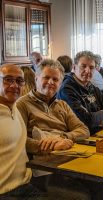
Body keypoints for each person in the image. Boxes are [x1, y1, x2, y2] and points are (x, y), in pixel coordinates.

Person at [17, 59, 89, 154]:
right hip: (41, 158)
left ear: (60, 83)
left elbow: (84, 130)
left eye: (55, 79)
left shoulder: (62, 105)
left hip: (67, 151)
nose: (50, 82)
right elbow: (19, 139)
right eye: (46, 77)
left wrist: (62, 137)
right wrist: (53, 146)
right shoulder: (22, 104)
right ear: (36, 78)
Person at [0, 64, 41, 198]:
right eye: (8, 80)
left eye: (19, 81)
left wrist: (45, 144)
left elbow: (18, 141)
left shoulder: (15, 107)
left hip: (26, 185)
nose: (14, 85)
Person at [57, 51, 103, 135]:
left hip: (99, 135)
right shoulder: (66, 89)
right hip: (80, 139)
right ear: (74, 68)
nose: (88, 70)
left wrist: (102, 121)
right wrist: (102, 113)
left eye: (91, 67)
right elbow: (84, 121)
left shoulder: (92, 87)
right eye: (83, 66)